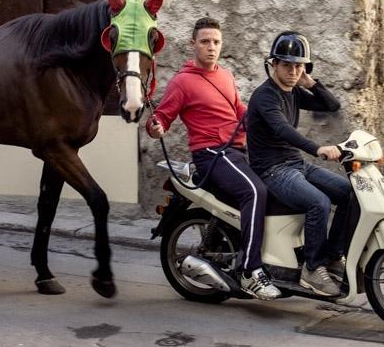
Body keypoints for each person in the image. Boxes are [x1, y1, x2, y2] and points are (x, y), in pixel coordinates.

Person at [146, 17, 281, 300]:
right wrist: (156, 126)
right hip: (212, 153)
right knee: (255, 192)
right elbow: (161, 117)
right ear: (192, 44)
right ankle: (251, 272)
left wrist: (270, 124)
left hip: (238, 151)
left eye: (216, 42)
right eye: (205, 42)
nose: (211, 47)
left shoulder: (226, 75)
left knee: (283, 186)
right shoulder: (182, 82)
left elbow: (240, 111)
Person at [245, 32, 351, 297]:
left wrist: (310, 82)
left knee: (350, 193)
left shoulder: (294, 90)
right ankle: (312, 269)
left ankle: (332, 256)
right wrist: (317, 149)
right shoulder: (265, 96)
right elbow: (282, 130)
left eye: (298, 66)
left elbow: (331, 104)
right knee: (319, 203)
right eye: (287, 65)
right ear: (273, 65)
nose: (293, 71)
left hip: (294, 163)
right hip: (272, 169)